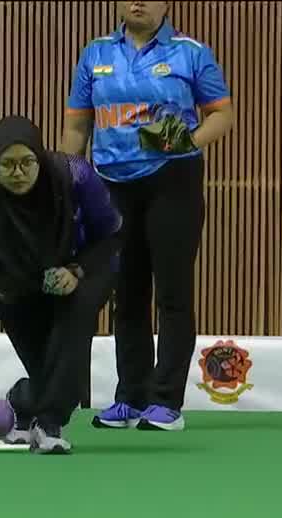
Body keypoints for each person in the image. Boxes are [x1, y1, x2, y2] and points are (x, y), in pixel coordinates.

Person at [61, 1, 234, 431]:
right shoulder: (95, 53)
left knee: (172, 292)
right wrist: (68, 183)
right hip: (111, 186)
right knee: (126, 293)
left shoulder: (190, 52)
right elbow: (77, 127)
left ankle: (166, 402)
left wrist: (187, 140)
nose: (137, 1)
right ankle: (130, 397)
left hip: (171, 181)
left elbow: (223, 115)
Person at [0, 115, 122, 455]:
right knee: (58, 377)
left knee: (74, 319)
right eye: (7, 164)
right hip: (20, 289)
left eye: (26, 162)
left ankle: (49, 425)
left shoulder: (75, 176)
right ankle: (22, 401)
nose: (18, 173)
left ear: (40, 157)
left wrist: (76, 271)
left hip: (86, 269)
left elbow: (112, 237)